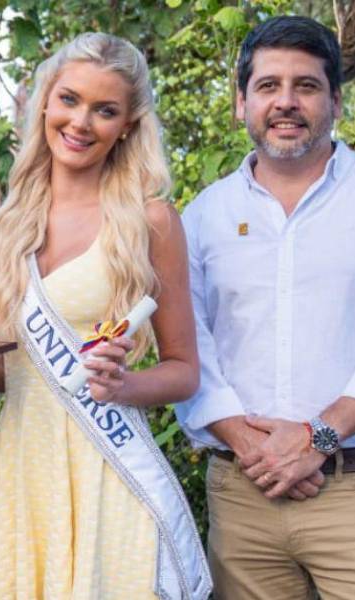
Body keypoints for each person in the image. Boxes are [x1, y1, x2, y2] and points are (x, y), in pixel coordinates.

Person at [0, 33, 211, 600]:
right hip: (25, 468)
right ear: (44, 103)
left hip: (108, 469)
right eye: (69, 100)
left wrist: (125, 385)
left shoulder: (149, 222)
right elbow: (9, 371)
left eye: (105, 110)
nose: (80, 122)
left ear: (127, 126)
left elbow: (184, 371)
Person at [175, 15, 355, 600]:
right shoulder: (203, 216)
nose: (286, 102)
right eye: (268, 85)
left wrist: (319, 437)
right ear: (241, 103)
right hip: (242, 496)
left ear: (336, 101)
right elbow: (188, 345)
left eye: (306, 86)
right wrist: (252, 445)